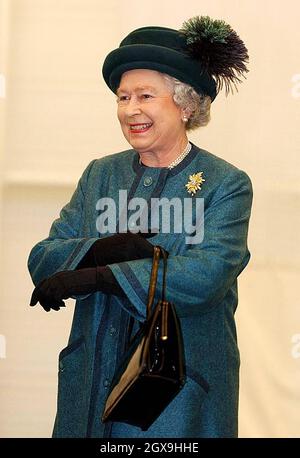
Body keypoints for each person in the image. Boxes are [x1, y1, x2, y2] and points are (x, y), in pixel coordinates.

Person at [28, 15, 253, 438]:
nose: (130, 110)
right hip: (91, 379)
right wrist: (105, 247)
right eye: (122, 97)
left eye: (145, 96)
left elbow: (207, 275)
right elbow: (44, 255)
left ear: (186, 105)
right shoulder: (100, 175)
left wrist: (104, 276)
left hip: (175, 391)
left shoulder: (225, 183)